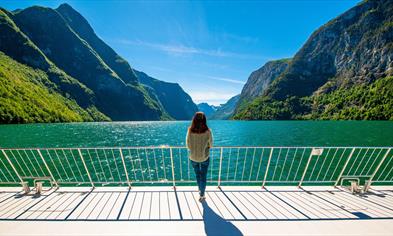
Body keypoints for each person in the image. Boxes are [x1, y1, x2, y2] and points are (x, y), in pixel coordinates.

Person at [186, 112, 213, 202]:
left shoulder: (190, 130)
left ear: (194, 120)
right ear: (204, 120)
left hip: (193, 157)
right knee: (203, 176)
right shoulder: (208, 131)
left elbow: (188, 145)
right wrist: (206, 148)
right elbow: (211, 145)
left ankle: (200, 189)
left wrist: (194, 149)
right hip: (204, 157)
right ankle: (202, 193)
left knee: (198, 174)